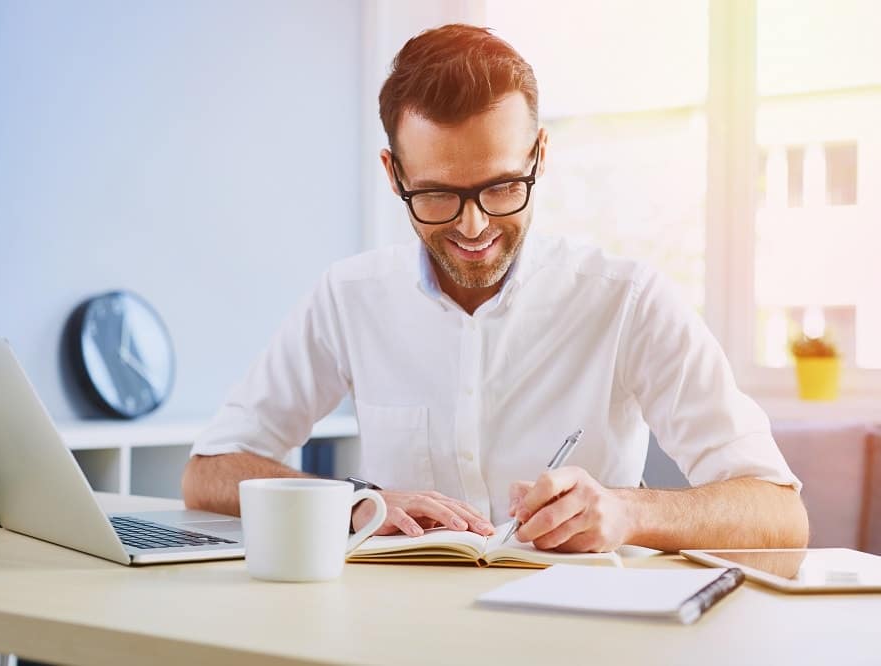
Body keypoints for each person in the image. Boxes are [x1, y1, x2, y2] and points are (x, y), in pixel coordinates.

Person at [182, 24, 808, 553]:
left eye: (503, 187)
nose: (473, 226)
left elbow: (780, 515)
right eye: (436, 195)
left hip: (577, 637)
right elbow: (210, 472)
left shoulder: (627, 300)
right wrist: (353, 505)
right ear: (392, 173)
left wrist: (627, 512)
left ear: (539, 155)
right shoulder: (350, 297)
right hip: (399, 636)